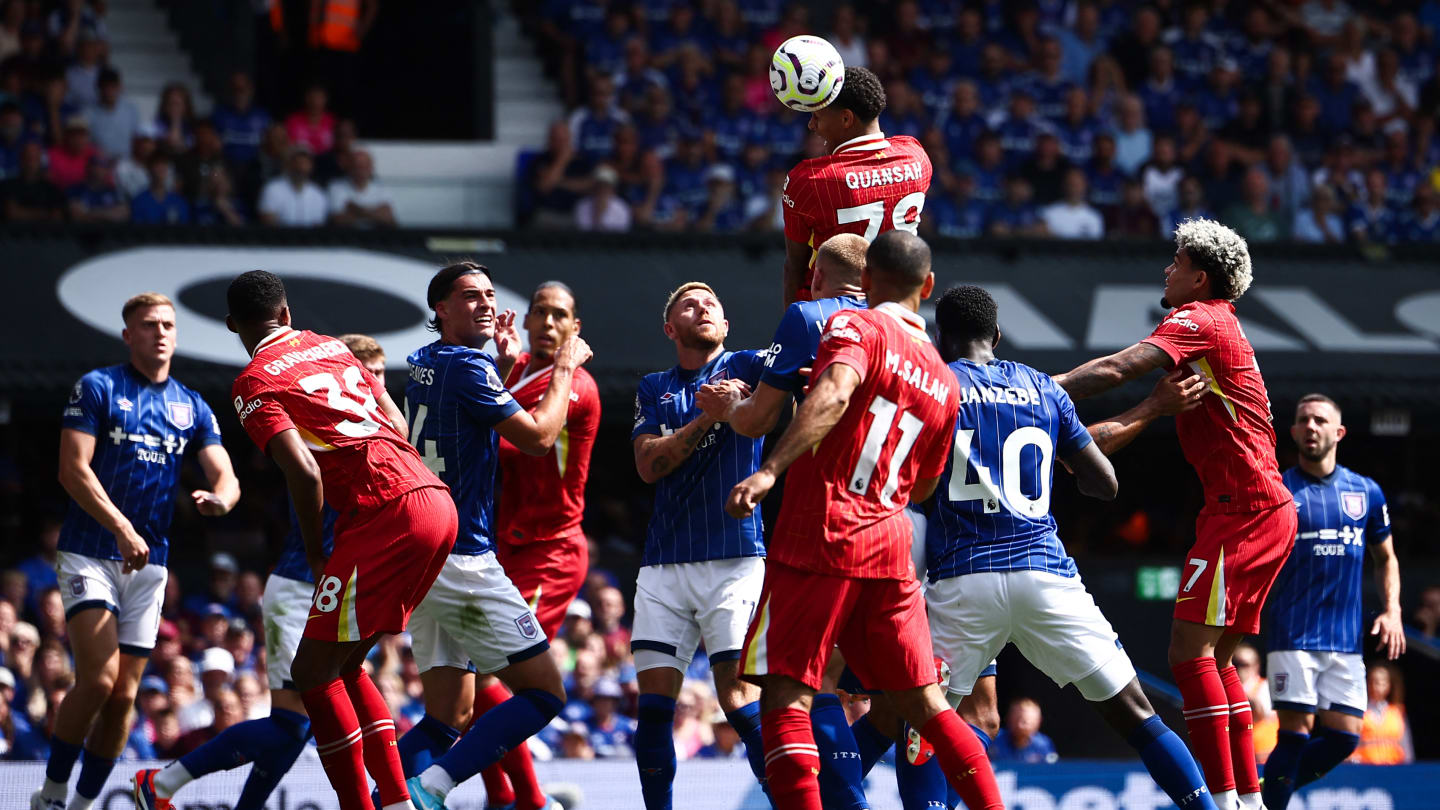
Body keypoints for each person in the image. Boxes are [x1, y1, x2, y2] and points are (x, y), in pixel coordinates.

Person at [727, 231, 1001, 810]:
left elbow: (833, 392)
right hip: (891, 540)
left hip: (822, 528)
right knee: (926, 704)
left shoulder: (853, 327)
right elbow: (925, 483)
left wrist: (771, 468)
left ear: (867, 282)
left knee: (787, 694)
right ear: (927, 287)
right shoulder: (944, 377)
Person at [918, 283, 1217, 809]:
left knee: (924, 727)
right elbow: (1104, 484)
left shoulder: (933, 384)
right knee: (1137, 713)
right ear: (998, 336)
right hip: (1045, 576)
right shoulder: (1040, 388)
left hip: (963, 579)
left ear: (941, 338)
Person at [1053, 219, 1297, 810]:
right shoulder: (1222, 326)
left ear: (1200, 276)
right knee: (1216, 660)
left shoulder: (1200, 318)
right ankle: (1247, 799)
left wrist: (1034, 386)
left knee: (1187, 656)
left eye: (1176, 262)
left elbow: (1119, 367)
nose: (1167, 270)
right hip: (1261, 508)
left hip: (1243, 513)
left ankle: (1223, 798)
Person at [218, 270, 456, 810]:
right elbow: (395, 420)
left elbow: (303, 472)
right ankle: (394, 800)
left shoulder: (253, 383)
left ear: (233, 325)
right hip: (432, 498)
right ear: (286, 313)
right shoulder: (329, 346)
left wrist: (316, 547)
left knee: (310, 674)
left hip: (385, 513)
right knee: (343, 667)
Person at [133, 334, 385, 810]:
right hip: (300, 586)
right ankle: (162, 782)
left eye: (380, 377)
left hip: (329, 590)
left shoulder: (372, 435)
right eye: (368, 376)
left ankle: (182, 790)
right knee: (292, 722)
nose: (374, 386)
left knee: (297, 726)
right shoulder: (330, 436)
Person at [698, 232, 886, 810]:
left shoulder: (808, 316)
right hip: (896, 522)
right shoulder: (898, 330)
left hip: (822, 517)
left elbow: (756, 422)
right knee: (915, 697)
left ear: (815, 275)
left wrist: (729, 408)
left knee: (790, 683)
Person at [33, 293, 239, 810]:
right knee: (99, 680)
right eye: (149, 325)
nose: (161, 332)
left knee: (125, 695)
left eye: (168, 324)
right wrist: (122, 527)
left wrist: (222, 499)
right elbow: (71, 469)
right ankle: (53, 793)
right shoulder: (98, 387)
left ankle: (81, 804)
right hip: (90, 550)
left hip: (150, 563)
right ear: (129, 335)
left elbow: (226, 473)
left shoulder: (191, 404)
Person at [400, 263, 591, 810]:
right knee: (544, 693)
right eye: (469, 296)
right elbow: (537, 438)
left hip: (427, 561)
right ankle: (438, 788)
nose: (486, 303)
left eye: (489, 294)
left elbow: (463, 416)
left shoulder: (423, 362)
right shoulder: (469, 367)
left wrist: (499, 369)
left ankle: (382, 798)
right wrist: (563, 370)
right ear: (440, 308)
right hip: (465, 559)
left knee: (446, 718)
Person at [628, 281, 769, 809]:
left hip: (734, 558)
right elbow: (648, 466)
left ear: (726, 325)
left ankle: (793, 799)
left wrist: (741, 406)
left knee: (737, 701)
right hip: (663, 565)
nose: (703, 306)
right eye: (689, 303)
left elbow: (797, 396)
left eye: (712, 302)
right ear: (671, 328)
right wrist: (710, 415)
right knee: (655, 709)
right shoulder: (653, 386)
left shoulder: (752, 367)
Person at [478, 281, 600, 810]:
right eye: (540, 313)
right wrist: (504, 369)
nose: (549, 323)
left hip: (551, 553)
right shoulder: (517, 369)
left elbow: (528, 435)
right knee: (468, 681)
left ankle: (527, 801)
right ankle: (503, 797)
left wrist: (499, 382)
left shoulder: (576, 384)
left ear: (574, 328)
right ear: (525, 321)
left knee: (492, 680)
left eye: (560, 315)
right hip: (507, 550)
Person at [1261, 394, 1405, 809]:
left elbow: (1387, 558)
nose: (1311, 427)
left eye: (1320, 420)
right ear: (1292, 431)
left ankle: (1261, 795)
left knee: (1344, 739)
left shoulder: (1366, 492)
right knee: (1294, 734)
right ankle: (1269, 802)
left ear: (1338, 432)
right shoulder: (1279, 489)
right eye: (1303, 420)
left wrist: (1393, 610)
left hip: (1346, 639)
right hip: (1293, 632)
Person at [781, 66, 932, 304]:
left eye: (817, 116)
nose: (811, 125)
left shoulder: (809, 180)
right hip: (890, 311)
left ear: (846, 118)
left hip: (828, 314)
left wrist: (793, 328)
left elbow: (794, 268)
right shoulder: (917, 156)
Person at [1351, 663, 1412, 764]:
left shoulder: (1397, 712)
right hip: (1365, 768)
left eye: (1381, 683)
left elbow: (1407, 747)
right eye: (1372, 682)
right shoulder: (1359, 712)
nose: (1376, 687)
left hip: (1393, 768)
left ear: (1388, 685)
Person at [259, 145, 327, 226]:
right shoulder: (272, 188)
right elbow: (268, 222)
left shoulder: (318, 194)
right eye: (297, 162)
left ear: (311, 166)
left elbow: (319, 227)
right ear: (288, 164)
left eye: (305, 163)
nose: (300, 167)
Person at [326, 149, 395, 228]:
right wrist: (375, 212)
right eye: (357, 166)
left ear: (371, 167)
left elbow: (388, 218)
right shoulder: (336, 187)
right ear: (349, 167)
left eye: (365, 166)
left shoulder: (383, 189)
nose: (361, 170)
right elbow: (338, 219)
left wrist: (354, 209)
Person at [990, 699, 1057, 764]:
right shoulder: (994, 740)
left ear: (1038, 722)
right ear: (1008, 719)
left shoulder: (1043, 744)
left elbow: (1051, 770)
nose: (1020, 725)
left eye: (1025, 722)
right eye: (1016, 720)